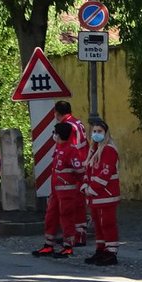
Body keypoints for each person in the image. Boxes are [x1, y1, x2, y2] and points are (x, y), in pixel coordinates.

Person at [33, 121, 86, 259]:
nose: (53, 135)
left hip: (67, 191)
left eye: (55, 132)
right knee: (50, 216)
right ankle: (48, 245)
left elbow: (79, 170)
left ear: (59, 134)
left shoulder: (71, 150)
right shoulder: (59, 148)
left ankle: (68, 246)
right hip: (56, 192)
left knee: (66, 218)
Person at [81, 117, 121, 265]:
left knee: (107, 223)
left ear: (106, 133)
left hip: (106, 195)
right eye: (94, 131)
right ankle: (101, 249)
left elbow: (105, 172)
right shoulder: (94, 150)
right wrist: (85, 186)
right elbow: (88, 170)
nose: (96, 134)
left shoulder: (109, 149)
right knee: (98, 224)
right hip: (95, 196)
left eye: (100, 131)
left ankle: (111, 252)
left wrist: (92, 188)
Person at [50, 100, 89, 246]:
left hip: (74, 169)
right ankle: (77, 234)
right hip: (81, 164)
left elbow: (69, 147)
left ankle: (76, 236)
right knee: (78, 203)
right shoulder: (77, 122)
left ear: (57, 113)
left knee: (75, 204)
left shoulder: (67, 127)